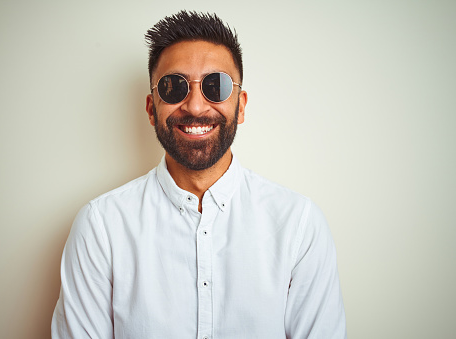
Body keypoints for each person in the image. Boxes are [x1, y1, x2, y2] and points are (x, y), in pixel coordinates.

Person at [52, 10, 346, 339]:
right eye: (174, 87)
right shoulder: (100, 228)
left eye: (215, 86)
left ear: (241, 105)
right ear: (152, 109)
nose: (194, 107)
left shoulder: (299, 225)